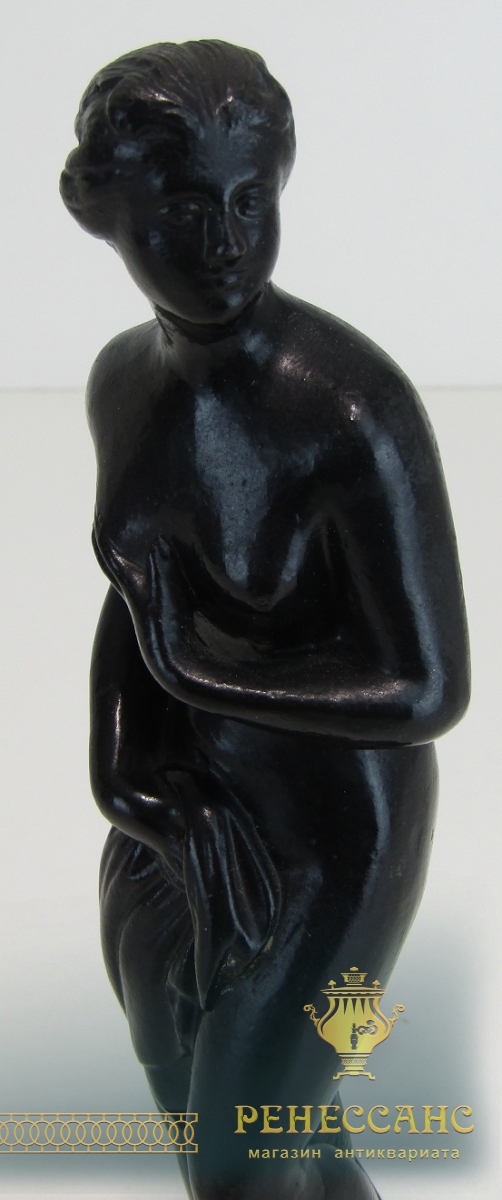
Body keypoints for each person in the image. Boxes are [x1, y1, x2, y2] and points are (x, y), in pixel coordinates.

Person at [61, 40, 470, 1200]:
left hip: (338, 839)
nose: (225, 243)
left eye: (249, 202)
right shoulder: (119, 383)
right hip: (187, 810)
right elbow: (138, 598)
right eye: (184, 211)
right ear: (105, 214)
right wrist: (126, 778)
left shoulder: (349, 411)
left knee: (241, 1153)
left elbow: (427, 687)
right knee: (232, 1124)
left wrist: (195, 672)